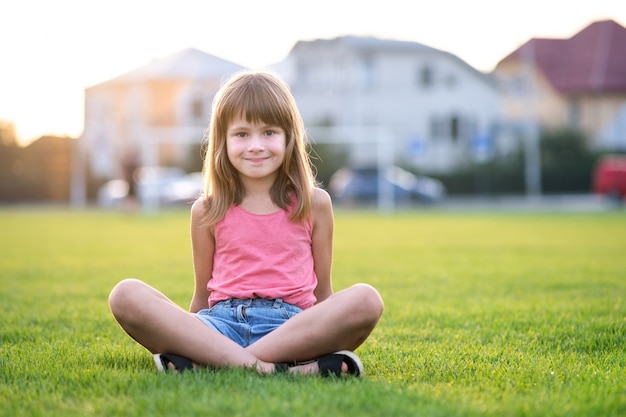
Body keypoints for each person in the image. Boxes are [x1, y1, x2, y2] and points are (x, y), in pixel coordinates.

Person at [108, 69, 384, 377]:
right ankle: (280, 370)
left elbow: (323, 295)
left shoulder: (315, 204)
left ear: (289, 137)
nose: (255, 145)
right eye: (242, 134)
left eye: (269, 132)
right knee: (125, 294)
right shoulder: (206, 210)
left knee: (366, 299)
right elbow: (202, 296)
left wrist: (325, 329)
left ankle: (214, 364)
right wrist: (190, 334)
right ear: (223, 141)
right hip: (220, 324)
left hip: (291, 329)